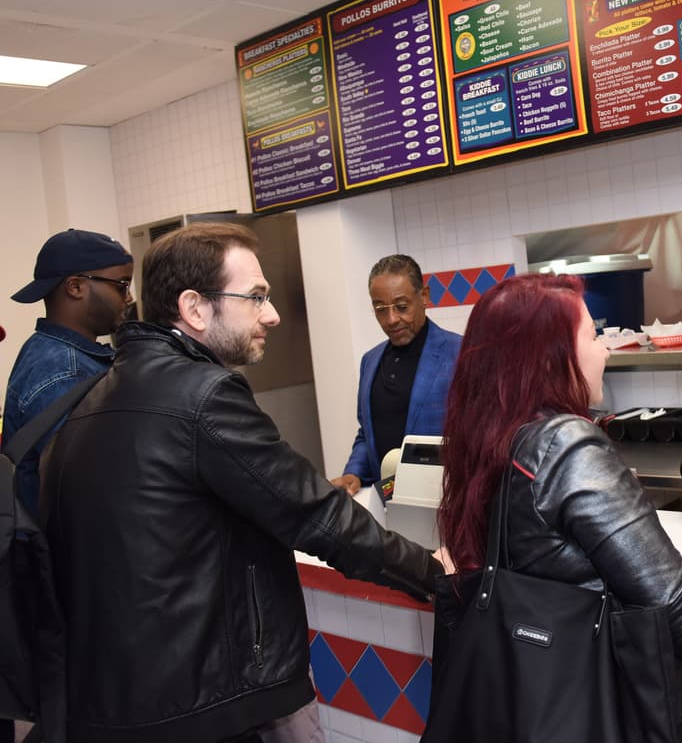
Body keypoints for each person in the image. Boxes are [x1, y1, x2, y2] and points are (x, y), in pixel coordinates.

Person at [39, 223, 442, 743]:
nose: (272, 315)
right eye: (255, 297)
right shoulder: (204, 395)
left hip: (112, 700)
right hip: (202, 703)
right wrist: (433, 574)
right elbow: (319, 517)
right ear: (196, 308)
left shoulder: (96, 393)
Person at [437, 273, 682, 743]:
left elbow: (550, 576)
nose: (605, 349)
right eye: (591, 335)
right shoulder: (567, 445)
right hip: (614, 709)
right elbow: (681, 616)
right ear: (548, 355)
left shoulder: (488, 442)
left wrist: (660, 571)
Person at [3, 229, 134, 516]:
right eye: (122, 285)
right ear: (75, 287)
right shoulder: (64, 372)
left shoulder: (50, 351)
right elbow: (89, 490)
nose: (128, 298)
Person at [330, 255, 461, 496]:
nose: (391, 320)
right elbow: (366, 433)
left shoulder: (460, 353)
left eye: (402, 307)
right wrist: (354, 473)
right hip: (386, 498)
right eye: (381, 309)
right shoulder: (370, 361)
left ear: (424, 297)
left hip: (446, 500)